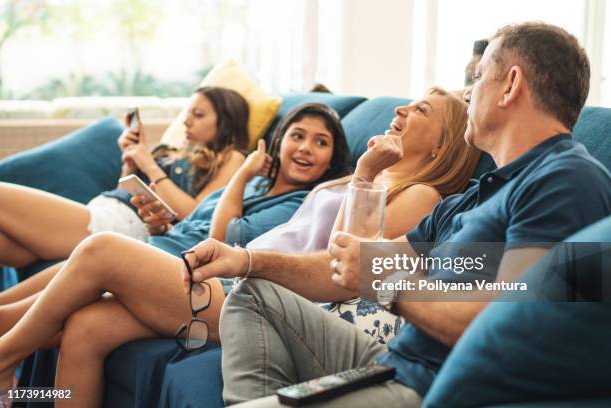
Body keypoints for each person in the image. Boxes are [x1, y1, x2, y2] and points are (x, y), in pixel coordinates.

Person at [171, 22, 611, 407]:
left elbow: (509, 323)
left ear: (511, 84)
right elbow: (348, 268)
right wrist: (246, 260)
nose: (468, 93)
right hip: (396, 362)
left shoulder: (567, 181)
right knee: (254, 291)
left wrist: (388, 280)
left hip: (437, 386)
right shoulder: (473, 197)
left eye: (478, 79)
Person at [0, 102, 353, 408]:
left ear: (331, 161)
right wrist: (160, 226)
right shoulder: (258, 186)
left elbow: (217, 242)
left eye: (320, 143)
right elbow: (193, 224)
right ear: (278, 143)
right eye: (298, 136)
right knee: (51, 319)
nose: (306, 148)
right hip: (158, 251)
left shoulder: (296, 205)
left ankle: (4, 360)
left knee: (93, 253)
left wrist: (241, 175)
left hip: (192, 273)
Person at [0, 86, 249, 269]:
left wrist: (148, 163)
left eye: (199, 114)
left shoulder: (233, 158)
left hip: (129, 227)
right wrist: (130, 166)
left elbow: (197, 213)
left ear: (226, 123)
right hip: (108, 210)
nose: (186, 120)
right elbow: (126, 192)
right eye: (187, 112)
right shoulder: (173, 151)